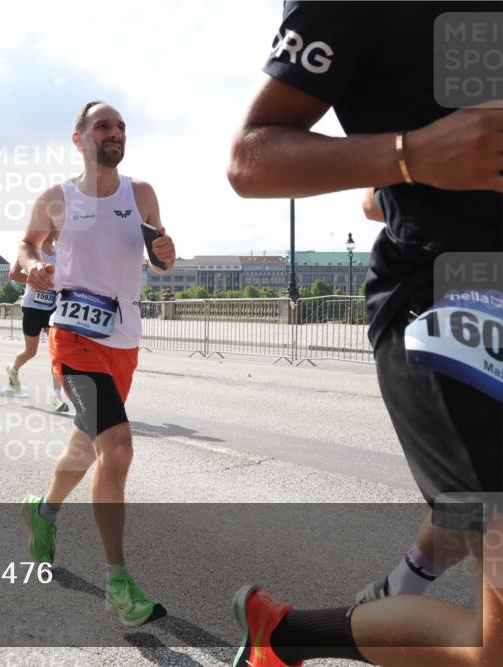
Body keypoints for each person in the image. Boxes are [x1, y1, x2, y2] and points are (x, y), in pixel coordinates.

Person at [226, 3, 503, 666]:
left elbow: (379, 196)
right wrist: (411, 156)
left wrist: (395, 180)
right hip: (448, 297)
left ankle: (350, 605)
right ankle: (293, 631)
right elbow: (248, 158)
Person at [17, 100, 175, 627]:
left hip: (124, 340)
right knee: (119, 447)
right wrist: (34, 266)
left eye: (122, 126)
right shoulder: (57, 199)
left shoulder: (142, 194)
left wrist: (167, 253)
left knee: (85, 450)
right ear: (79, 136)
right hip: (74, 338)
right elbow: (24, 248)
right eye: (104, 125)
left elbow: (160, 255)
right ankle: (119, 581)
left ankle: (43, 511)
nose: (115, 132)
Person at [6, 232, 68, 412]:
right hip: (32, 307)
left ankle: (57, 397)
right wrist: (34, 278)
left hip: (53, 308)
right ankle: (13, 368)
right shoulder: (32, 252)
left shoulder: (62, 253)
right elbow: (13, 274)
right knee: (30, 351)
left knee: (57, 353)